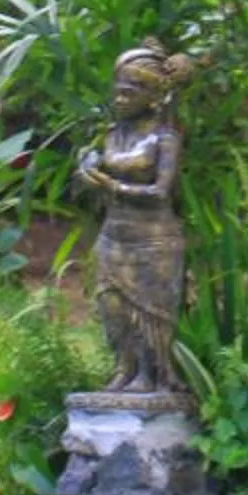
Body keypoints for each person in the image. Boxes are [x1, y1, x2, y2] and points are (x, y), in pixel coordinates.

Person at [77, 45, 193, 396]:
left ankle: (151, 373)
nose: (120, 99)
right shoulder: (113, 134)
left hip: (154, 239)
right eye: (118, 91)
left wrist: (112, 184)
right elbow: (98, 173)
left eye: (130, 92)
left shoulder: (165, 139)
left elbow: (161, 192)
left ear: (152, 95)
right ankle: (123, 368)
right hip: (114, 235)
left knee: (149, 311)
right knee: (111, 305)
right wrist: (87, 171)